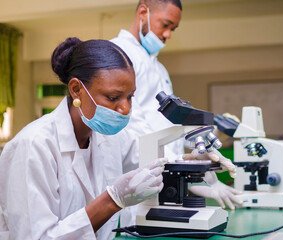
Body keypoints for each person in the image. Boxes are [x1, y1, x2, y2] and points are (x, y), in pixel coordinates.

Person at [0, 37, 167, 240]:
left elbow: (149, 160)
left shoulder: (110, 137)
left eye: (130, 96)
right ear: (76, 89)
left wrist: (194, 166)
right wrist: (112, 201)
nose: (125, 109)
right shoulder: (34, 146)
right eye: (113, 98)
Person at [111, 0, 242, 210]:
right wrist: (177, 162)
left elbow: (164, 127)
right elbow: (129, 129)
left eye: (173, 29)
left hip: (161, 180)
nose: (168, 35)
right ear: (143, 12)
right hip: (134, 183)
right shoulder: (119, 54)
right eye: (165, 25)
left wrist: (191, 161)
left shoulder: (159, 68)